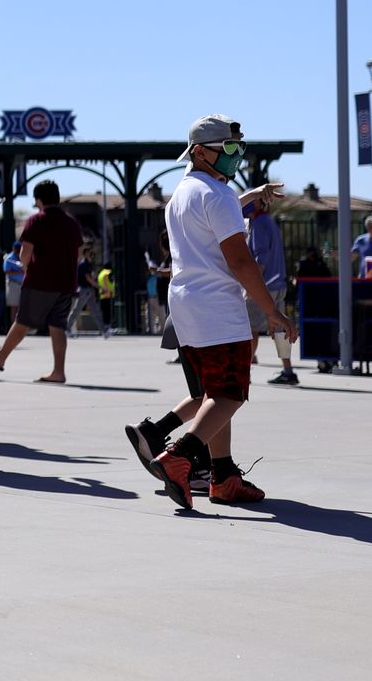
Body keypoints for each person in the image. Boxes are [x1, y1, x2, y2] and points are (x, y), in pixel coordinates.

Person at [123, 115, 297, 511]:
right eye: (230, 150)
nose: (236, 156)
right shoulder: (217, 195)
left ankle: (223, 477)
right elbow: (239, 259)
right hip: (218, 304)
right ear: (201, 152)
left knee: (211, 393)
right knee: (229, 393)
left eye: (240, 148)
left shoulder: (184, 193)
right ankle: (180, 459)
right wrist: (272, 312)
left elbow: (218, 213)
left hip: (185, 302)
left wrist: (252, 194)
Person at [0, 180, 81, 382]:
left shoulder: (36, 221)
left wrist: (25, 267)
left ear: (39, 200)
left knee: (23, 321)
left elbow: (25, 253)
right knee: (58, 326)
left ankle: (0, 358)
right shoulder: (71, 222)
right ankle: (58, 372)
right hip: (66, 283)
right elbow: (78, 255)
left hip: (40, 281)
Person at [244, 196, 295, 383]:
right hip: (278, 283)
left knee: (250, 330)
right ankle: (288, 371)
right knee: (280, 329)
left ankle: (244, 372)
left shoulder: (258, 224)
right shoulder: (270, 222)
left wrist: (251, 285)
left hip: (263, 287)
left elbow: (260, 260)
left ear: (259, 202)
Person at [96, 263, 117, 336]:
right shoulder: (106, 273)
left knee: (104, 313)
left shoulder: (100, 273)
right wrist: (109, 291)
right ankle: (107, 329)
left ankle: (104, 329)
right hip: (107, 295)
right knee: (107, 313)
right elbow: (106, 282)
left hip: (102, 295)